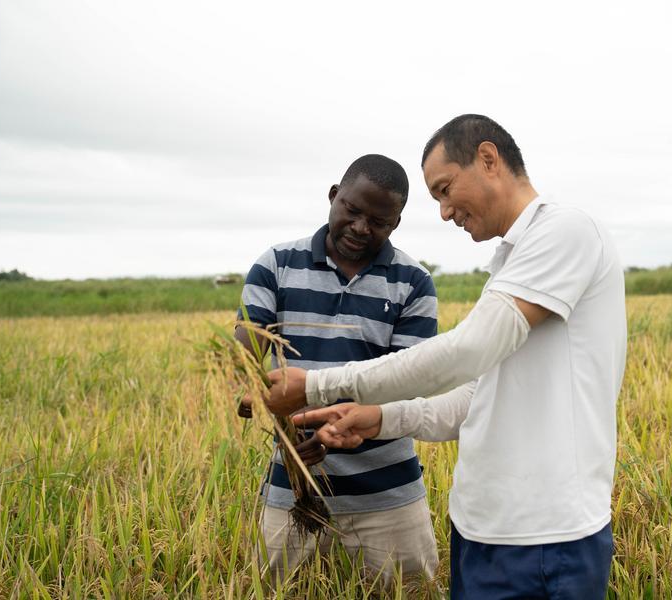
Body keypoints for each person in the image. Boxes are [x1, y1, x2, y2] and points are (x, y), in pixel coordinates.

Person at [248, 114, 628, 598]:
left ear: (488, 159)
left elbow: (468, 349)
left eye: (445, 189)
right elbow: (476, 398)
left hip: (546, 536)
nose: (445, 212)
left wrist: (317, 385)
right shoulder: (511, 263)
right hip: (482, 532)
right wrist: (379, 419)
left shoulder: (566, 231)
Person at [234, 154, 440, 586]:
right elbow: (244, 375)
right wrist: (291, 436)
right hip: (291, 487)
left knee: (410, 592)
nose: (362, 228)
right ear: (333, 196)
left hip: (388, 494)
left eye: (379, 221)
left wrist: (316, 416)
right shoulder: (276, 266)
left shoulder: (413, 283)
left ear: (396, 224)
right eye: (352, 210)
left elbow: (407, 383)